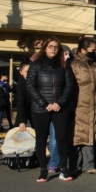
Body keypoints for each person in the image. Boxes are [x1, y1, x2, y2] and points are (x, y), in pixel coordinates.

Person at [25, 37, 75, 182]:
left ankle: (64, 170)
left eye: (56, 47)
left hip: (60, 108)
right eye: (50, 46)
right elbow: (30, 86)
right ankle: (43, 170)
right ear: (45, 48)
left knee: (62, 138)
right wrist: (44, 103)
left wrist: (60, 102)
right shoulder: (36, 65)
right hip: (40, 108)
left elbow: (69, 85)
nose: (53, 49)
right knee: (41, 139)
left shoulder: (64, 65)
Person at [70, 37, 96, 174]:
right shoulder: (74, 64)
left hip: (95, 102)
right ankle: (75, 164)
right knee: (79, 133)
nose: (94, 52)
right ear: (83, 50)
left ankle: (89, 164)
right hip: (79, 103)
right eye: (91, 50)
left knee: (92, 132)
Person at [14, 60, 32, 129]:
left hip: (35, 111)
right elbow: (20, 103)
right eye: (26, 72)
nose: (29, 73)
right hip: (24, 111)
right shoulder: (20, 85)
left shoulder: (36, 82)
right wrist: (22, 121)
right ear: (21, 72)